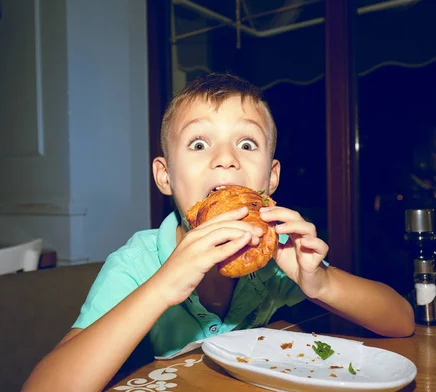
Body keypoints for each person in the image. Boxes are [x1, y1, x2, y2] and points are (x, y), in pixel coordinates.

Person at [22, 73, 415, 392]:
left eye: (246, 143)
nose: (226, 159)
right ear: (165, 176)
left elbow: (401, 321)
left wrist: (320, 282)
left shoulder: (276, 255)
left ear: (271, 178)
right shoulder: (138, 263)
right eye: (198, 143)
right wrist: (162, 286)